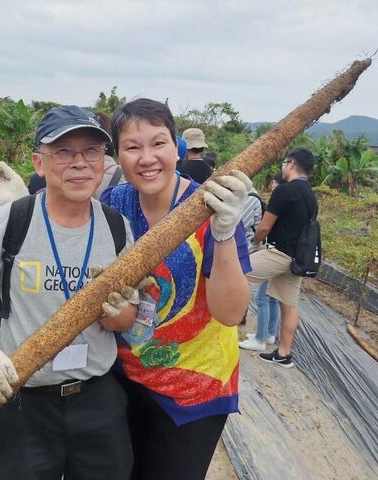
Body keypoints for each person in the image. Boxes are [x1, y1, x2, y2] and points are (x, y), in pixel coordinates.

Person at [0, 105, 138, 479]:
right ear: (39, 163)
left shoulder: (116, 227)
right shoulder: (12, 220)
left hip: (98, 398)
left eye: (92, 151)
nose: (79, 163)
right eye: (63, 152)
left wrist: (117, 314)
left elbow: (130, 318)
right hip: (26, 402)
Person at [101, 98, 251, 479]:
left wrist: (225, 232)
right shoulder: (113, 204)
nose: (147, 157)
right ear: (118, 154)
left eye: (158, 143)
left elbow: (231, 313)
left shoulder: (211, 208)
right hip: (123, 380)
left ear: (176, 147)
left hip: (193, 389)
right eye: (132, 147)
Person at [247, 149, 318, 368]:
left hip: (278, 254)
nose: (283, 167)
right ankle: (284, 353)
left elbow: (265, 226)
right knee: (289, 305)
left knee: (234, 273)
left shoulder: (285, 191)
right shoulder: (311, 196)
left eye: (285, 163)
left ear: (291, 164)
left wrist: (254, 244)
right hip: (297, 261)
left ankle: (216, 329)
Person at [239, 173, 285, 351]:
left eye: (274, 181)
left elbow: (247, 224)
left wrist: (254, 244)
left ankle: (260, 339)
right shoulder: (293, 200)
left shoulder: (252, 198)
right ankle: (269, 334)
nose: (272, 184)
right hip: (280, 251)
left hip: (268, 251)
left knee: (261, 297)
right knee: (272, 296)